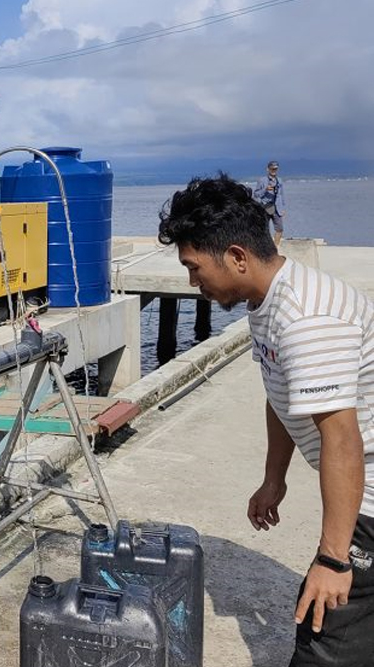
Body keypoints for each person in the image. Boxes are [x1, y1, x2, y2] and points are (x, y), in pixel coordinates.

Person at [158, 174, 374, 667]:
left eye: (194, 267)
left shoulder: (306, 319)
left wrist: (334, 558)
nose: (193, 282)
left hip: (371, 496)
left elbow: (342, 440)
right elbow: (281, 395)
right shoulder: (265, 302)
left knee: (324, 640)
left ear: (237, 256)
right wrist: (273, 479)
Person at [254, 160, 287, 246]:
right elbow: (256, 194)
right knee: (264, 229)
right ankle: (264, 247)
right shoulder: (262, 180)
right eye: (272, 169)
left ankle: (275, 248)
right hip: (265, 207)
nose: (274, 171)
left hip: (277, 208)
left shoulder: (279, 180)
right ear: (268, 169)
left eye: (275, 169)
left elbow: (281, 195)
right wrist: (265, 189)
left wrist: (283, 208)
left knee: (280, 229)